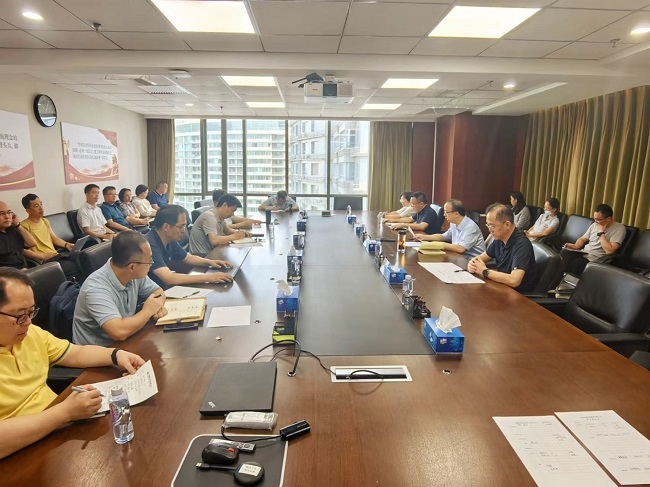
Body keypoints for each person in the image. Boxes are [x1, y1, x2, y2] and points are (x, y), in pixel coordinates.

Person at [0, 267, 145, 459]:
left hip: (55, 432)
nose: (28, 322)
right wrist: (64, 412)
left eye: (31, 312)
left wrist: (116, 355)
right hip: (19, 454)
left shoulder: (30, 334)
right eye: (20, 316)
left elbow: (75, 353)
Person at [72, 232, 167, 346]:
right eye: (149, 261)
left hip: (126, 340)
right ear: (132, 267)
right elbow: (119, 332)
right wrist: (148, 311)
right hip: (98, 350)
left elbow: (159, 292)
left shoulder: (133, 273)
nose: (151, 264)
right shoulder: (95, 289)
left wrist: (156, 307)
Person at [146, 205, 233, 290]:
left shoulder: (168, 239)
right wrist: (209, 277)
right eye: (181, 226)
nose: (184, 230)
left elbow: (187, 257)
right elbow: (169, 278)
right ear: (166, 227)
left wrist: (210, 262)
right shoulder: (149, 245)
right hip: (153, 295)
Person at [468, 203, 537, 292]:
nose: (490, 230)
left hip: (518, 294)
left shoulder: (522, 244)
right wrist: (472, 264)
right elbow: (481, 258)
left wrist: (485, 271)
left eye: (492, 226)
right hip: (502, 287)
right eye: (488, 225)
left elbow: (514, 280)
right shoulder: (499, 239)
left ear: (507, 225)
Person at [20, 194, 79, 279]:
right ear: (28, 210)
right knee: (73, 266)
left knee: (80, 256)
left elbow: (54, 238)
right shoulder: (23, 226)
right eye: (36, 206)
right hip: (43, 261)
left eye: (41, 204)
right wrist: (43, 256)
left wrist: (67, 245)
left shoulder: (45, 221)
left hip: (55, 256)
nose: (41, 208)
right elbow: (24, 251)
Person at [559, 203, 626, 275]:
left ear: (609, 219)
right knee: (563, 254)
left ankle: (555, 279)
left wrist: (601, 232)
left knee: (570, 264)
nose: (595, 221)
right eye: (595, 218)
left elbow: (609, 251)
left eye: (598, 219)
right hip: (583, 253)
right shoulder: (595, 224)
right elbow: (583, 239)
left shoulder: (619, 228)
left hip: (595, 260)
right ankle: (555, 279)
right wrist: (575, 246)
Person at [414, 199, 485, 258]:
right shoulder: (454, 223)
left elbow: (461, 249)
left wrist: (440, 245)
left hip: (471, 260)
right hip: (458, 256)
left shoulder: (471, 227)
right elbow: (443, 236)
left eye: (446, 212)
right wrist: (424, 237)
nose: (444, 215)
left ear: (456, 214)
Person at [0, 201, 37, 270]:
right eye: (2, 214)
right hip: (10, 274)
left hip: (26, 269)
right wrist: (17, 273)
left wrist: (18, 225)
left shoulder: (12, 229)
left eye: (9, 212)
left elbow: (32, 243)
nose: (7, 216)